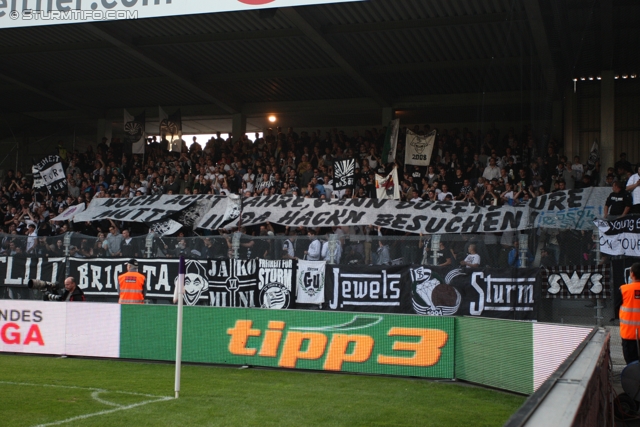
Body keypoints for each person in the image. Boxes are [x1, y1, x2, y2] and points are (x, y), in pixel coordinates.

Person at [619, 263, 640, 364]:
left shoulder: (624, 290)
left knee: (631, 365)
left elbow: (616, 308)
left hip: (629, 335)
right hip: (631, 336)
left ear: (632, 274)